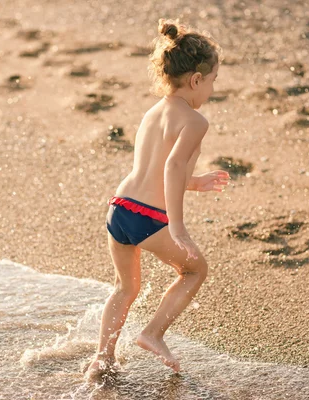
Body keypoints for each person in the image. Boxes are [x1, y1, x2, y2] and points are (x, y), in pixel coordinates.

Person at [85, 18, 229, 379]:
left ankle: (101, 360)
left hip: (120, 208)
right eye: (213, 81)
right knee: (196, 270)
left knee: (126, 287)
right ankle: (152, 333)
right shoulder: (196, 121)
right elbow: (171, 168)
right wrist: (177, 227)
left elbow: (158, 169)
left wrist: (196, 182)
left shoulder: (155, 111)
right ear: (196, 80)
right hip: (149, 216)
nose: (212, 89)